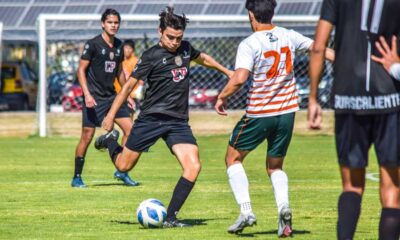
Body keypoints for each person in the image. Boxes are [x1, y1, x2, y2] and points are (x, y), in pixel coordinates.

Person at [94, 6, 233, 227]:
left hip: (178, 122)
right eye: (170, 37)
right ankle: (111, 140)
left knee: (193, 166)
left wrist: (227, 72)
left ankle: (170, 218)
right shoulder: (150, 56)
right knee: (123, 167)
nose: (175, 42)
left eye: (179, 38)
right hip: (151, 119)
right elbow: (128, 86)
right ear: (160, 31)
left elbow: (202, 58)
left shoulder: (185, 49)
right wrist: (110, 116)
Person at [214, 0, 334, 236]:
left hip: (260, 113)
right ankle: (283, 210)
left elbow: (239, 78)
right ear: (272, 12)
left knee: (233, 158)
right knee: (275, 166)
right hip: (287, 113)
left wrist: (221, 96)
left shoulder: (249, 43)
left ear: (251, 14)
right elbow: (320, 49)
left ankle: (246, 211)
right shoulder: (288, 35)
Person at [308, 0, 400, 239]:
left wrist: (313, 98)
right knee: (392, 191)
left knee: (352, 187)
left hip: (348, 98)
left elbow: (318, 46)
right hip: (389, 99)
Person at [71, 9, 138, 188]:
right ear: (103, 23)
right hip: (93, 98)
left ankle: (122, 171)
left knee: (131, 131)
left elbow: (119, 73)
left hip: (112, 98)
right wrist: (86, 94)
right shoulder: (92, 44)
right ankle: (77, 176)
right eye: (110, 22)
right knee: (87, 136)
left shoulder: (119, 46)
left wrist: (128, 95)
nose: (113, 25)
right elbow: (80, 70)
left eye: (116, 22)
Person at [113, 39, 144, 115]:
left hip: (131, 92)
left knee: (129, 114)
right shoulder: (118, 60)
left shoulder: (136, 61)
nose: (128, 50)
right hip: (117, 91)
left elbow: (141, 77)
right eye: (126, 48)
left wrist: (139, 89)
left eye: (130, 48)